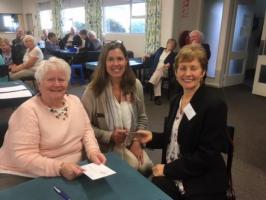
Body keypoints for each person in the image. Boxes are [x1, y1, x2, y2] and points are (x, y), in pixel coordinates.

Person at [137, 44, 228, 200]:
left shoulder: (214, 104)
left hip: (200, 179)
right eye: (182, 68)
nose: (187, 74)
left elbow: (206, 156)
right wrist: (152, 137)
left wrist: (167, 170)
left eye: (193, 68)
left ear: (203, 72)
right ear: (176, 71)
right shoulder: (176, 99)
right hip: (176, 172)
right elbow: (175, 136)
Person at [0, 57, 106, 190]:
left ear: (67, 83)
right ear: (39, 84)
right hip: (26, 173)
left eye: (61, 79)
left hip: (73, 169)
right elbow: (23, 156)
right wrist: (60, 167)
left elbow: (86, 130)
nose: (57, 84)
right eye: (50, 79)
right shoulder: (27, 111)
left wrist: (92, 151)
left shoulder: (75, 101)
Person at [81, 42, 153, 175]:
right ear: (104, 62)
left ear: (126, 61)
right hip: (105, 147)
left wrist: (137, 141)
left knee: (146, 167)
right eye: (110, 59)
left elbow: (142, 117)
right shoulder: (92, 91)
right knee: (134, 168)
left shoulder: (135, 85)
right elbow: (84, 127)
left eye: (120, 59)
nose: (116, 64)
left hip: (131, 142)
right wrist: (109, 136)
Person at [146, 38, 177, 105]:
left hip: (166, 71)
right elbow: (153, 56)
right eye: (170, 44)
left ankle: (150, 83)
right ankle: (157, 98)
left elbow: (170, 63)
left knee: (160, 70)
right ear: (167, 44)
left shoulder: (173, 54)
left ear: (174, 47)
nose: (170, 45)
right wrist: (146, 56)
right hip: (156, 70)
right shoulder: (160, 49)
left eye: (172, 45)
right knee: (158, 78)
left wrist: (166, 65)